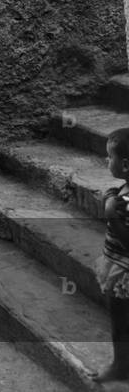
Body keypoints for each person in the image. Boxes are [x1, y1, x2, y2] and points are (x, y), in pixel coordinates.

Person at [94, 128, 129, 382]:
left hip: (124, 272)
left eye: (110, 157)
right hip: (118, 265)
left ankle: (120, 366)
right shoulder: (125, 191)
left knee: (120, 324)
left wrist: (112, 216)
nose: (107, 162)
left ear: (125, 164)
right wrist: (111, 196)